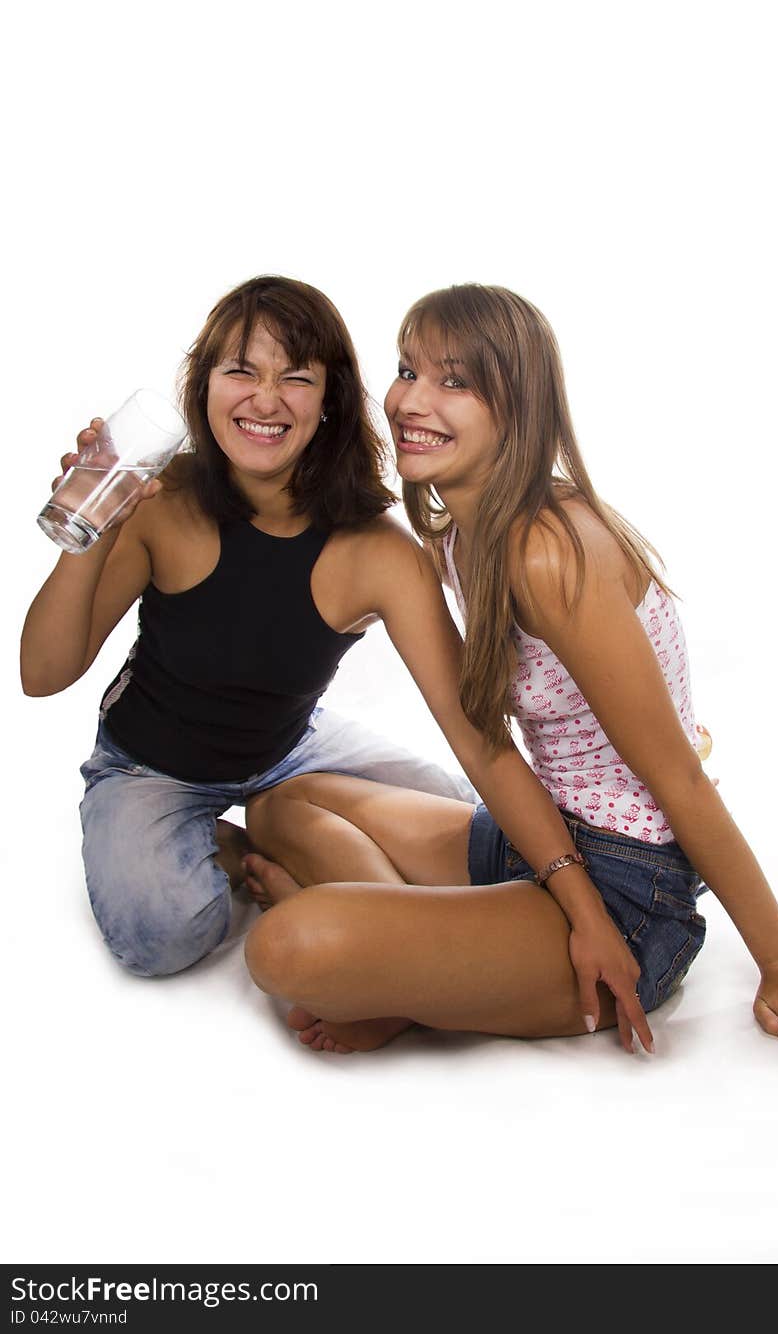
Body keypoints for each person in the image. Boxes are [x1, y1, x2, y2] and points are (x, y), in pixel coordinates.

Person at [20, 275, 651, 1053]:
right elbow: (41, 673)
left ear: (330, 401)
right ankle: (228, 842)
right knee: (162, 937)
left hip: (290, 748)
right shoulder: (163, 501)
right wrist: (93, 521)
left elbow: (476, 737)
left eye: (296, 376)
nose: (265, 398)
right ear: (205, 388)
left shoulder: (380, 549)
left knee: (478, 833)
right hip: (151, 764)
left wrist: (576, 895)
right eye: (241, 371)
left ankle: (279, 826)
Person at [242, 284, 778, 1066]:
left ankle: (403, 979)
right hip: (546, 841)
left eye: (456, 381)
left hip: (631, 896)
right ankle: (418, 969)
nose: (411, 400)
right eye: (408, 370)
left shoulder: (547, 552)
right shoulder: (461, 534)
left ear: (520, 407)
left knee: (286, 948)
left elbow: (680, 777)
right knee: (280, 806)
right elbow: (484, 740)